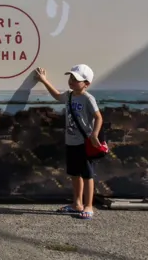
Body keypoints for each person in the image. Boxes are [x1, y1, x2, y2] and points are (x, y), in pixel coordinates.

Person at [35, 64, 103, 220]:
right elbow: (57, 95)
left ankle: (89, 206)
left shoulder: (88, 98)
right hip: (71, 141)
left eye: (76, 79)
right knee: (74, 174)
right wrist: (44, 80)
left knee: (87, 175)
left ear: (87, 83)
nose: (71, 81)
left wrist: (94, 134)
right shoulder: (70, 95)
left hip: (84, 142)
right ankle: (76, 204)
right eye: (71, 78)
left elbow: (99, 117)